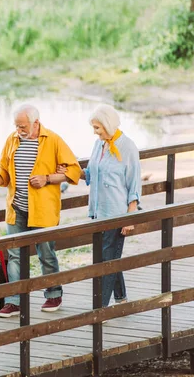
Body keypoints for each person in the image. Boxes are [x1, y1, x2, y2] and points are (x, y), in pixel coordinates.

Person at [0, 104, 82, 318]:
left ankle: (53, 294)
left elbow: (74, 170)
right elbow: (3, 168)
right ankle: (13, 301)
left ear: (35, 123)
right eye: (17, 126)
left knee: (46, 253)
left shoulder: (53, 140)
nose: (19, 129)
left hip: (43, 209)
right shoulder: (12, 140)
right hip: (16, 207)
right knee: (15, 255)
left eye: (23, 126)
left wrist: (47, 179)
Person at [69, 104, 141, 308]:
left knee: (106, 261)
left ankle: (100, 308)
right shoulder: (99, 145)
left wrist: (130, 217)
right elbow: (92, 174)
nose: (95, 132)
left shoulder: (128, 147)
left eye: (97, 128)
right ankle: (121, 298)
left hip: (116, 213)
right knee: (108, 257)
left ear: (108, 125)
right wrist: (70, 169)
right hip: (98, 212)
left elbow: (134, 183)